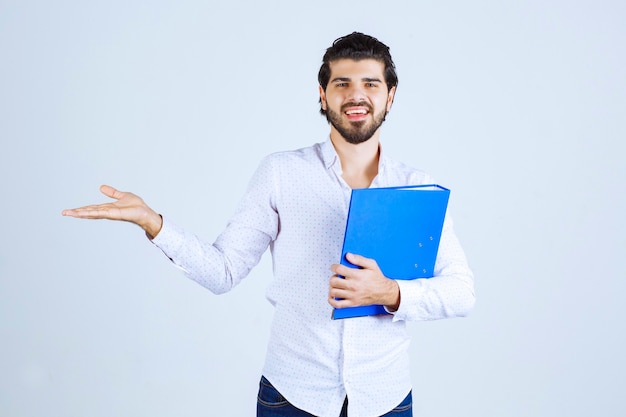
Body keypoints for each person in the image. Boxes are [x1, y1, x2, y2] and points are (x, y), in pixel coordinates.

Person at [62, 32, 475, 417]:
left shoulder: (418, 189)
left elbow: (461, 292)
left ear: (390, 96)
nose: (356, 95)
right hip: (292, 396)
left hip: (386, 398)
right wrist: (153, 223)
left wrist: (391, 291)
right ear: (322, 94)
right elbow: (223, 272)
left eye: (370, 84)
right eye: (342, 83)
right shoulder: (280, 173)